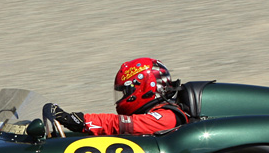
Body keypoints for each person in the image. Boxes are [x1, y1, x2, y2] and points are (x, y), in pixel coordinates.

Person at [46, 58, 190, 135]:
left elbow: (120, 124)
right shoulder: (157, 114)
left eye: (125, 92)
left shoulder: (168, 117)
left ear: (144, 88)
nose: (122, 98)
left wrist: (82, 121)